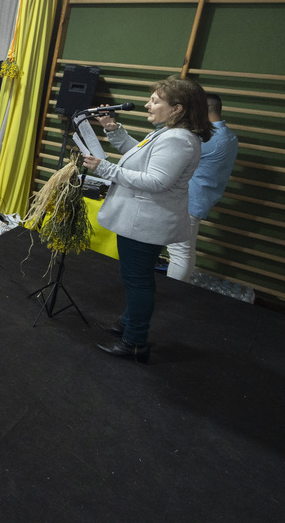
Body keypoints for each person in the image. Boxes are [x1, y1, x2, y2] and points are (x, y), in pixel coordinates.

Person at [82, 77, 212, 362]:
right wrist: (112, 129)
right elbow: (136, 156)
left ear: (177, 108)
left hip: (145, 223)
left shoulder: (178, 139)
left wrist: (104, 169)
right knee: (137, 279)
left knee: (138, 281)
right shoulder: (168, 133)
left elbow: (156, 181)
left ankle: (135, 341)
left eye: (155, 101)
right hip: (141, 220)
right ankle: (127, 325)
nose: (147, 104)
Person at [164, 93, 238, 282]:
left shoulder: (210, 138)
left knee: (179, 252)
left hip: (189, 200)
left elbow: (174, 155)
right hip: (199, 198)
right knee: (185, 250)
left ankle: (172, 293)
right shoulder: (228, 135)